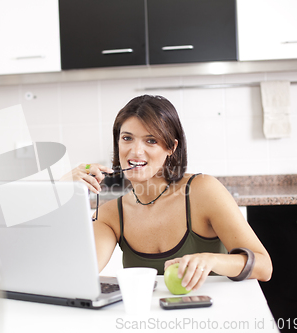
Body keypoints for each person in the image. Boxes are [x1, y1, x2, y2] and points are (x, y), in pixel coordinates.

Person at [62, 95, 272, 292]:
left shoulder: (203, 191)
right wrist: (60, 191)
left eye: (151, 140)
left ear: (171, 147)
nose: (135, 151)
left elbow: (264, 267)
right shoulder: (111, 215)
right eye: (127, 138)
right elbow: (75, 274)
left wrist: (211, 260)